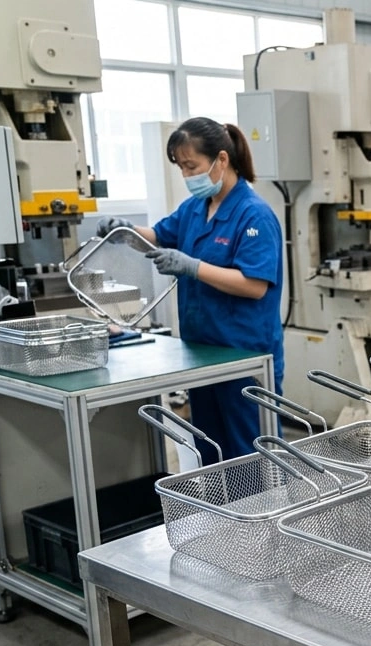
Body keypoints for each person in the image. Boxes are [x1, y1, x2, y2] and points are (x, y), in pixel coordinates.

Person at [97, 118, 284, 464]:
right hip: (202, 355)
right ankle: (223, 519)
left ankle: (265, 518)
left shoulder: (254, 215)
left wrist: (192, 266)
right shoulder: (194, 209)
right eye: (181, 167)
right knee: (212, 452)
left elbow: (255, 286)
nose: (186, 175)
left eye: (192, 166)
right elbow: (156, 236)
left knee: (253, 456)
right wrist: (125, 231)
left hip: (244, 356)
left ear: (222, 160)